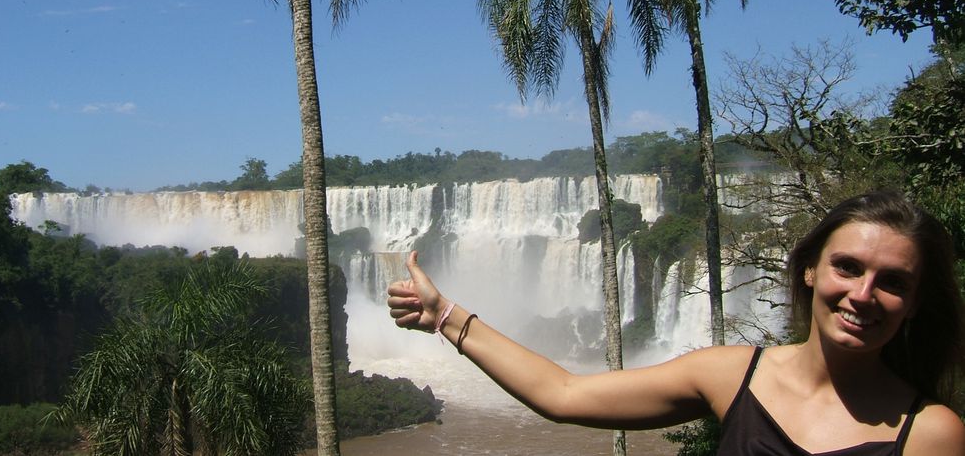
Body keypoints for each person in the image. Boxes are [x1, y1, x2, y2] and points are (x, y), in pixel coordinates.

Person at [387, 191, 965, 455]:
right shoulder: (732, 375)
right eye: (848, 267)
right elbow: (562, 393)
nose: (863, 294)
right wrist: (446, 316)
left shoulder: (930, 433)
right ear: (810, 272)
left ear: (915, 303)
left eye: (893, 282)